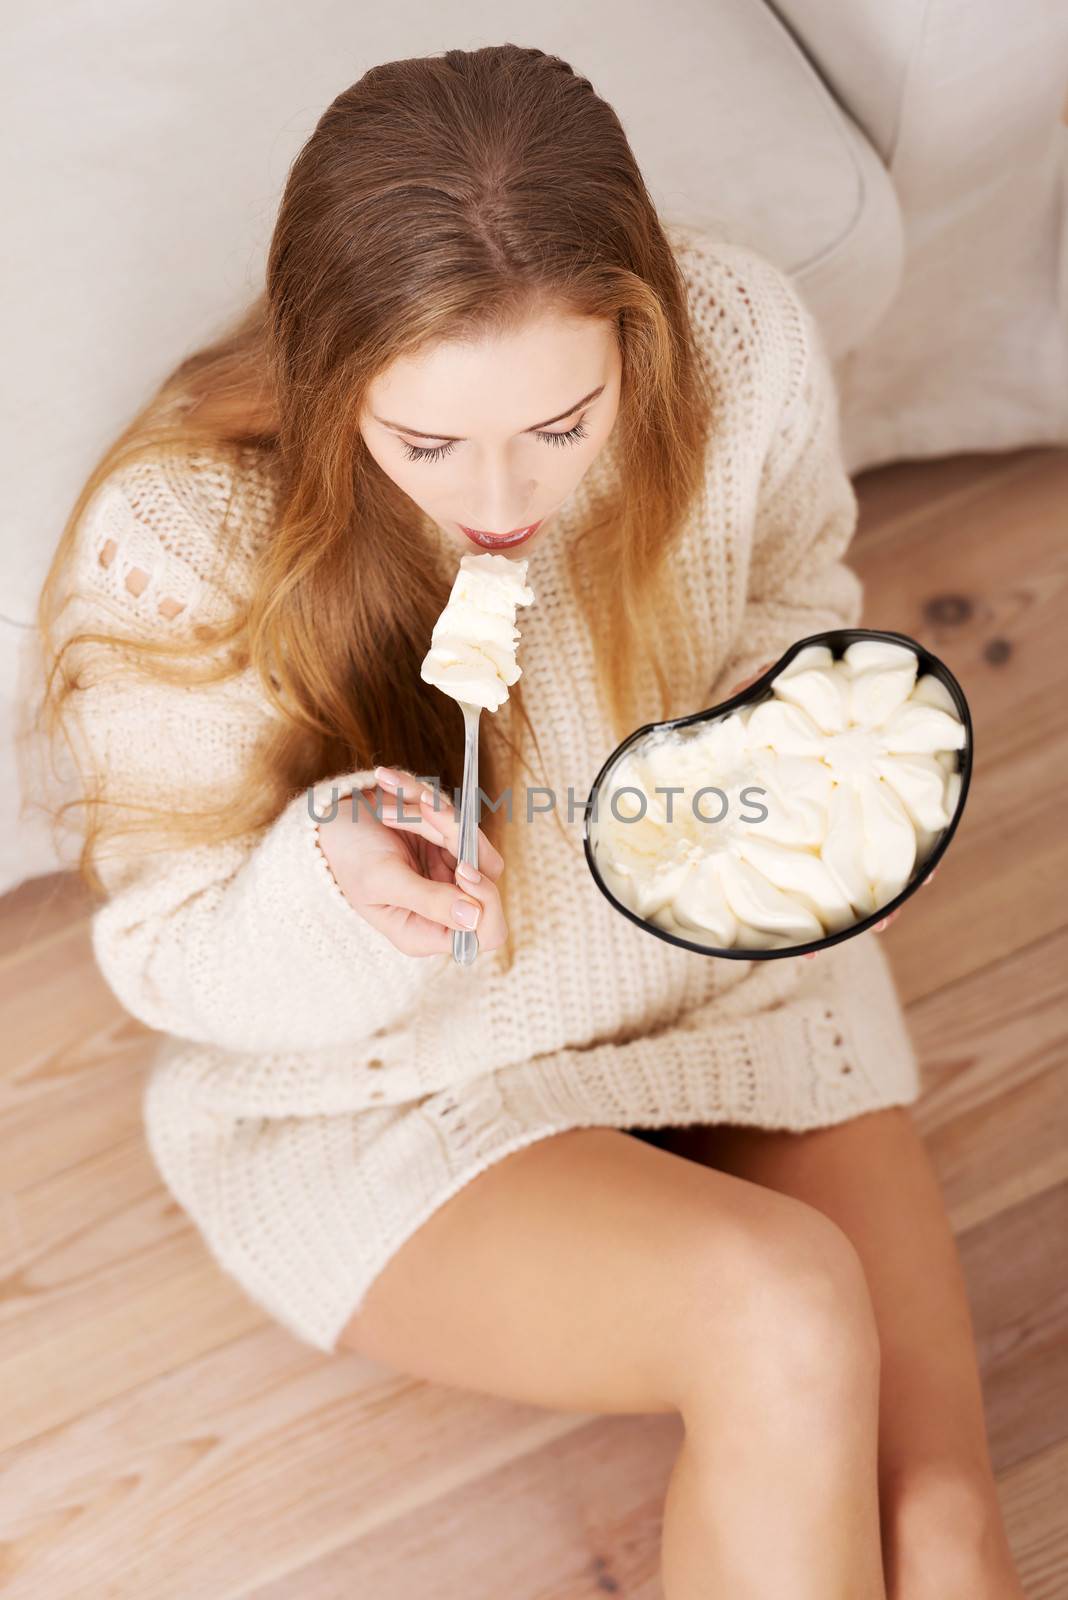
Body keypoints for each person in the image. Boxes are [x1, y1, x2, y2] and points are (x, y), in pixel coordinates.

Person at [31, 43, 1024, 1599]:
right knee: (778, 1309)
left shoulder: (742, 341)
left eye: (563, 423)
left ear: (637, 336)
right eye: (425, 444)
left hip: (729, 986)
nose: (501, 498)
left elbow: (793, 592)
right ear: (329, 376)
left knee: (949, 1540)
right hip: (388, 1083)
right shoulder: (179, 537)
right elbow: (168, 956)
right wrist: (330, 893)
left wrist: (789, 748)